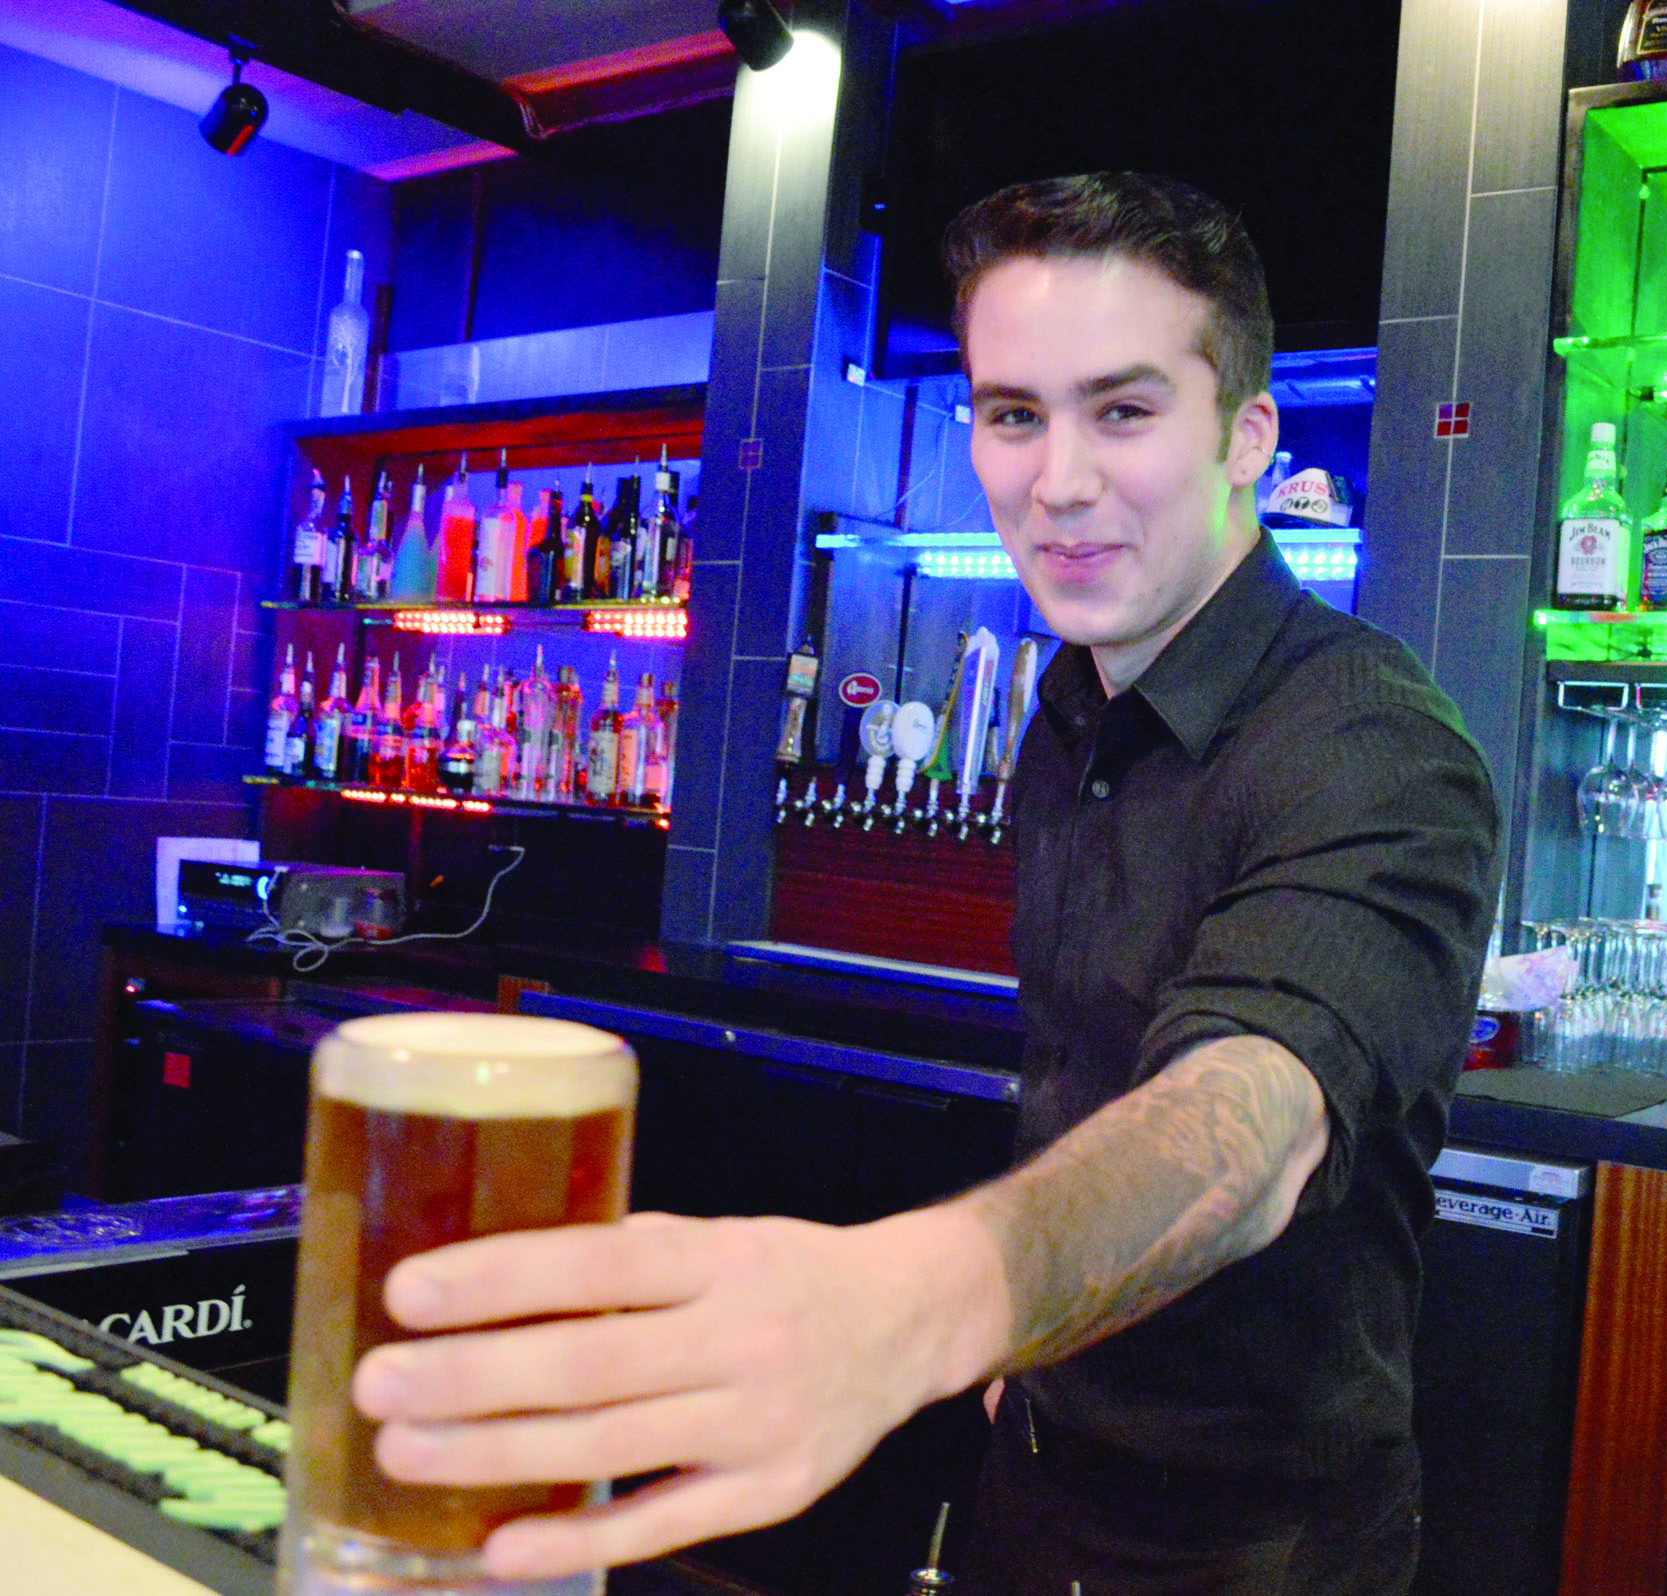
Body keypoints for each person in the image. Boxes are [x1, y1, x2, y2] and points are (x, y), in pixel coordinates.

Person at [349, 172, 1499, 1596]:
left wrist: (924, 1305)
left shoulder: (1373, 744)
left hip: (1249, 1543)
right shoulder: (1070, 703)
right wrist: (1025, 1353)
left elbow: (1244, 1126)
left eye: (1124, 411)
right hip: (1031, 1466)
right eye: (1014, 413)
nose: (1057, 480)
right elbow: (1086, 1075)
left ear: (1247, 435)